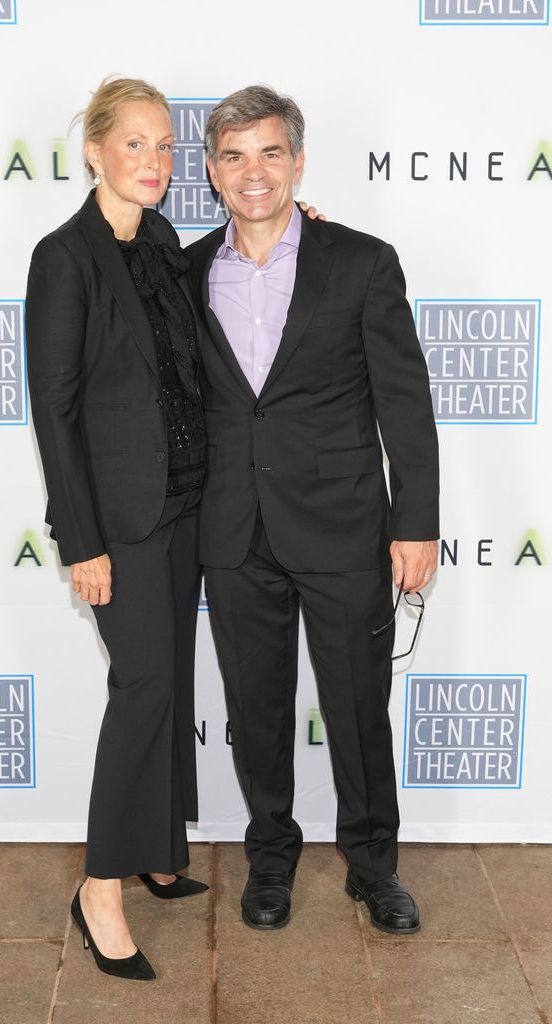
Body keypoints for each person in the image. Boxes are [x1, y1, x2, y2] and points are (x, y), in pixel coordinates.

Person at [186, 85, 440, 935]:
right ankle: (270, 860)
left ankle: (373, 868)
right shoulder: (183, 274)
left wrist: (417, 522)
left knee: (358, 710)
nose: (252, 173)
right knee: (257, 712)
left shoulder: (362, 261)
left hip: (342, 526)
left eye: (269, 153)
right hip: (233, 529)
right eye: (232, 156)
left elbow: (404, 402)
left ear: (297, 161)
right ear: (212, 171)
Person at [25, 77, 210, 983]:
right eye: (135, 143)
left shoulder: (163, 239)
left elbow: (190, 303)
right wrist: (80, 540)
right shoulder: (65, 258)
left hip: (183, 504)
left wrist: (287, 233)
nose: (156, 162)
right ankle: (100, 886)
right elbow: (53, 410)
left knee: (169, 678)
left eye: (167, 146)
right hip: (120, 521)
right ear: (94, 150)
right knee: (143, 686)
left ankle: (157, 846)